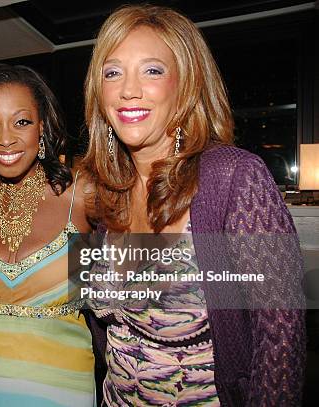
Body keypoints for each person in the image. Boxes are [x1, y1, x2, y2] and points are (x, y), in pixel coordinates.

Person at [81, 5, 306, 406]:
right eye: (112, 72)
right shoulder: (106, 190)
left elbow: (280, 338)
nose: (127, 89)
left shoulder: (231, 179)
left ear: (186, 84)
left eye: (152, 70)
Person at [0, 63, 96, 407]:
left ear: (41, 127)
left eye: (21, 121)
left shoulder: (82, 195)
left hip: (61, 390)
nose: (6, 138)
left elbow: (159, 273)